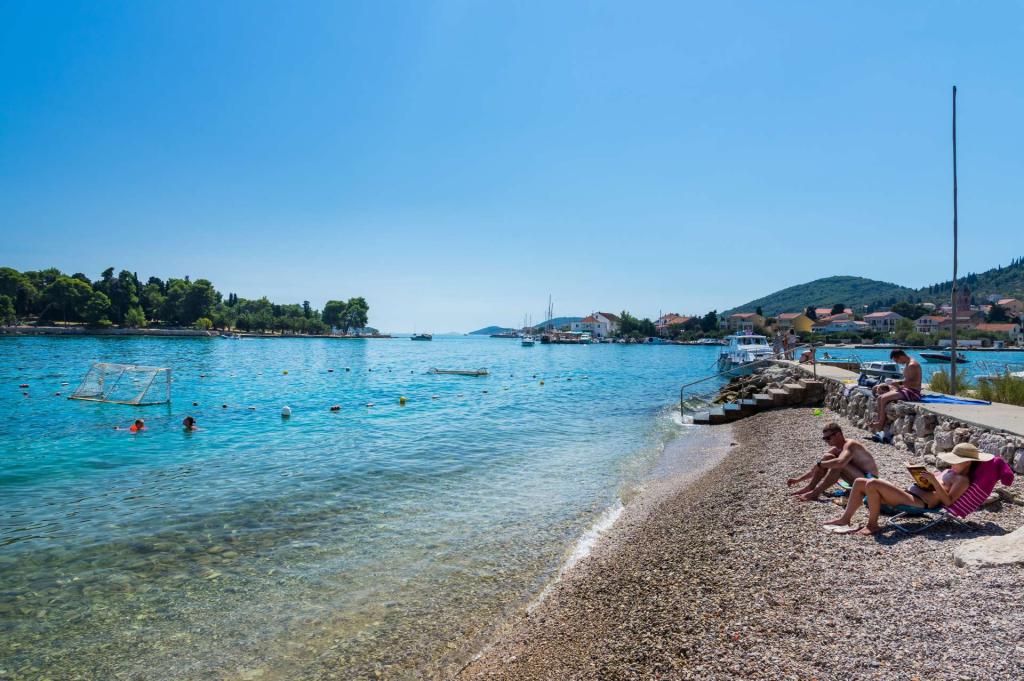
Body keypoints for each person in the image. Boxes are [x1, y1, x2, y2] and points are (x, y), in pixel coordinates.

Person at [824, 442, 990, 535]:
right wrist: (918, 474)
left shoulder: (962, 480)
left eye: (956, 461)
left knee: (872, 483)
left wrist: (933, 480)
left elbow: (948, 501)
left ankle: (873, 525)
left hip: (919, 502)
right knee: (860, 481)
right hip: (909, 494)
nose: (951, 463)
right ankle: (845, 519)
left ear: (967, 462)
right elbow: (931, 485)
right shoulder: (949, 471)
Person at [788, 423, 880, 501]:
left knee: (839, 464)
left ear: (838, 434)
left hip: (870, 482)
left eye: (828, 438)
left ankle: (815, 493)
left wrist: (821, 464)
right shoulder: (836, 449)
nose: (826, 441)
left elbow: (840, 463)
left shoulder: (850, 445)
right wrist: (798, 480)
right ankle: (810, 488)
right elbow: (816, 467)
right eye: (824, 438)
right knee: (827, 457)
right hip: (856, 479)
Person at [869, 349, 922, 431]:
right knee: (880, 397)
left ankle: (880, 424)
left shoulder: (912, 365)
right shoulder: (908, 364)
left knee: (883, 398)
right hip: (906, 389)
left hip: (913, 392)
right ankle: (878, 421)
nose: (897, 363)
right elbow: (908, 380)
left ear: (901, 357)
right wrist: (897, 384)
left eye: (896, 360)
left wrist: (899, 383)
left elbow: (916, 383)